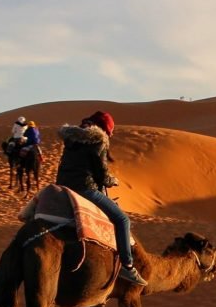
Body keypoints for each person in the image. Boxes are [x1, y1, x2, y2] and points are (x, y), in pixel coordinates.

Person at [55, 111, 147, 286]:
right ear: (105, 130)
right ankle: (127, 267)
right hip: (84, 188)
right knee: (122, 220)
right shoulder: (98, 140)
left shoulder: (72, 138)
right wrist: (113, 180)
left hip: (62, 186)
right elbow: (101, 175)